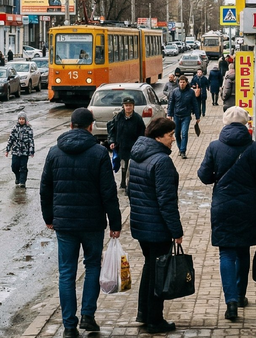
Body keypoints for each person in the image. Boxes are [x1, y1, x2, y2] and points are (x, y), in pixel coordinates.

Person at [40, 108, 122, 338]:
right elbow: (109, 192)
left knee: (66, 272)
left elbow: (45, 189)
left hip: (64, 223)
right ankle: (88, 316)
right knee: (92, 266)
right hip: (92, 223)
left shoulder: (54, 152)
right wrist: (115, 223)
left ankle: (68, 326)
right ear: (90, 126)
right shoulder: (98, 153)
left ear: (71, 125)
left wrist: (49, 218)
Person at [197, 107, 256, 322]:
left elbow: (204, 176)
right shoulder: (255, 148)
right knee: (242, 251)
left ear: (224, 123)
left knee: (226, 253)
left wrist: (218, 176)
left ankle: (230, 302)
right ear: (246, 124)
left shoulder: (214, 146)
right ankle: (240, 296)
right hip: (248, 207)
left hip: (222, 206)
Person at [127, 117, 183, 334]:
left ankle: (143, 313)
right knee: (158, 273)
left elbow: (132, 191)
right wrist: (176, 230)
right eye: (170, 135)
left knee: (150, 268)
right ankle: (154, 320)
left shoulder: (138, 156)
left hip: (141, 224)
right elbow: (166, 201)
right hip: (157, 227)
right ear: (158, 136)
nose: (173, 140)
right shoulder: (161, 161)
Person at [109, 97, 146, 190]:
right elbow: (112, 130)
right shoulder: (118, 117)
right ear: (123, 106)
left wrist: (140, 144)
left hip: (134, 146)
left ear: (133, 106)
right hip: (121, 146)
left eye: (130, 105)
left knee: (132, 166)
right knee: (123, 165)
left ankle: (130, 185)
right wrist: (112, 141)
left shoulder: (137, 118)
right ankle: (123, 183)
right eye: (126, 105)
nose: (128, 107)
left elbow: (142, 132)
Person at [166, 76, 199, 160]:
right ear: (178, 83)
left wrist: (197, 116)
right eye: (180, 82)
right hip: (176, 116)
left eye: (183, 82)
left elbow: (195, 104)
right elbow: (171, 104)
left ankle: (183, 151)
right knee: (177, 134)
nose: (182, 84)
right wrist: (169, 115)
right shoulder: (174, 92)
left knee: (184, 133)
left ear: (186, 83)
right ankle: (180, 148)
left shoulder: (190, 92)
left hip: (186, 116)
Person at [5, 112, 35, 187]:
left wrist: (31, 151)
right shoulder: (15, 128)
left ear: (25, 120)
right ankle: (17, 176)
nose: (21, 120)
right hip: (15, 151)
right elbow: (11, 139)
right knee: (14, 166)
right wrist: (7, 150)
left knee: (23, 167)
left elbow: (31, 140)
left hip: (24, 152)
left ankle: (22, 182)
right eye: (20, 119)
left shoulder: (28, 129)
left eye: (23, 119)